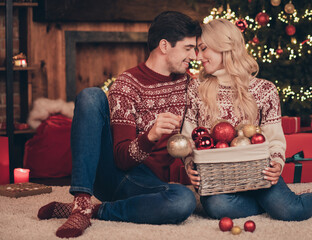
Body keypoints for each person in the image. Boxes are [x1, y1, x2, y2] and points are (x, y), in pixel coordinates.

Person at [37, 11, 202, 238]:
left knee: (184, 201)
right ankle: (82, 200)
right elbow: (121, 159)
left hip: (150, 185)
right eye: (187, 48)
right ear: (164, 46)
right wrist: (150, 135)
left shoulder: (188, 84)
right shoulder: (127, 85)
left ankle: (95, 210)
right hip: (119, 176)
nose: (193, 55)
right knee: (91, 96)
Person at [181, 18, 312, 221]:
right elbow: (188, 135)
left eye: (204, 49)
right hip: (218, 180)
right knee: (217, 208)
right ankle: (280, 203)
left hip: (258, 172)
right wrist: (189, 164)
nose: (198, 56)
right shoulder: (196, 89)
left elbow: (274, 137)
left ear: (224, 47)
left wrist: (276, 163)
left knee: (292, 212)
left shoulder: (264, 89)